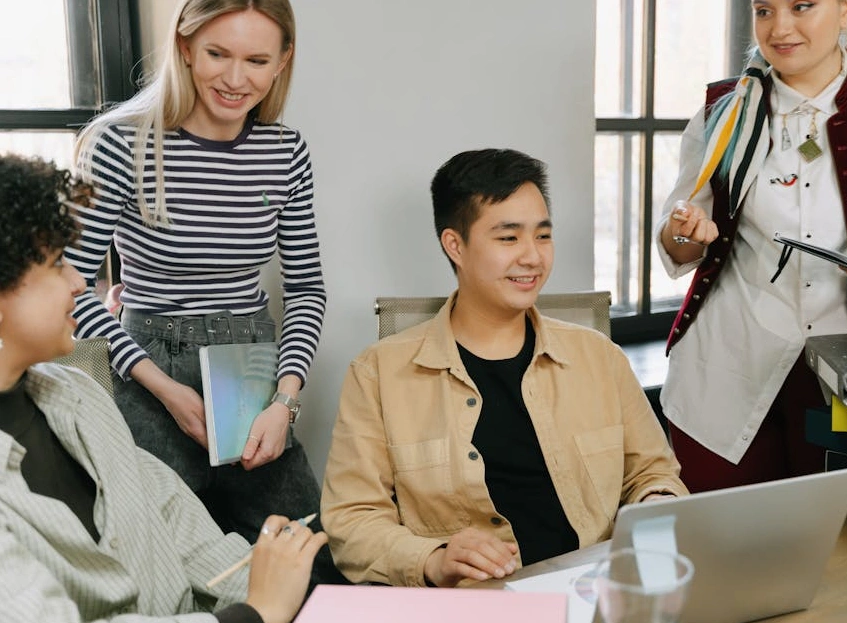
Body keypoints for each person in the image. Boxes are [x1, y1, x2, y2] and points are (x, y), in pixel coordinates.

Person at [321, 148, 687, 588]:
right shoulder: (378, 374)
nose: (533, 257)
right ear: (455, 245)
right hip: (475, 604)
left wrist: (655, 503)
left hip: (597, 591)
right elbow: (352, 521)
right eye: (509, 238)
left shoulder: (600, 358)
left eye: (543, 235)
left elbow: (652, 472)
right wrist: (433, 559)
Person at [0, 153, 327, 623]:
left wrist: (271, 582)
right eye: (56, 265)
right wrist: (258, 612)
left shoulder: (79, 397)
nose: (78, 283)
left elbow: (172, 514)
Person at [64, 0, 333, 564]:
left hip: (252, 371)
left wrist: (284, 401)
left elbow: (307, 289)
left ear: (283, 61)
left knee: (308, 560)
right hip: (147, 368)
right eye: (217, 54)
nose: (235, 79)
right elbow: (71, 287)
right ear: (185, 48)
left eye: (256, 60)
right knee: (159, 565)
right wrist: (165, 388)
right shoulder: (121, 143)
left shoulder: (285, 152)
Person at [656, 0, 847, 492]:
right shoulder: (722, 107)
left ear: (845, 9)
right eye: (764, 10)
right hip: (727, 364)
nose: (780, 28)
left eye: (802, 6)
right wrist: (684, 231)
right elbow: (679, 240)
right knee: (723, 528)